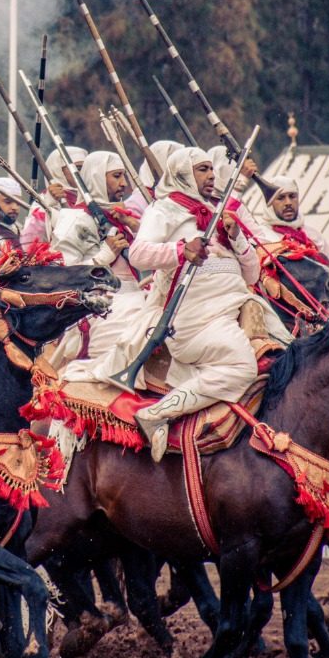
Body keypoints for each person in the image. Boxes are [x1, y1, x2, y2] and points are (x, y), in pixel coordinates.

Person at [115, 148, 266, 461]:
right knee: (242, 367)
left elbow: (253, 274)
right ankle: (157, 414)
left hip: (240, 306)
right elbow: (139, 254)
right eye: (202, 170)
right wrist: (182, 250)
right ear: (182, 173)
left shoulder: (217, 214)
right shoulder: (164, 209)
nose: (211, 176)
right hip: (199, 318)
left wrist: (236, 237)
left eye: (212, 170)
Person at [48, 152, 141, 366]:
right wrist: (103, 257)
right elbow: (59, 274)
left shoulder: (122, 217)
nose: (124, 184)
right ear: (98, 176)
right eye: (116, 176)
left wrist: (135, 227)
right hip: (97, 308)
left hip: (134, 300)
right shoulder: (74, 219)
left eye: (124, 176)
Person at [258, 174, 329, 267]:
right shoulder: (262, 236)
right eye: (281, 198)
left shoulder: (314, 235)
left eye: (292, 196)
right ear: (269, 203)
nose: (288, 203)